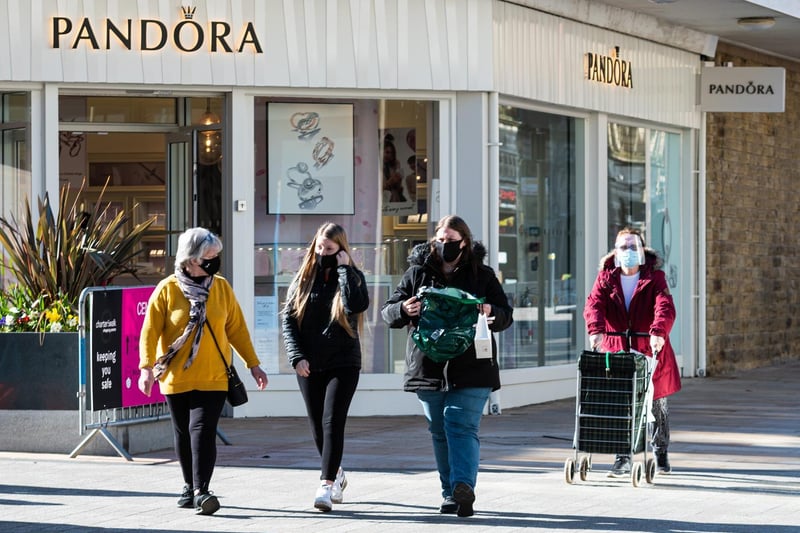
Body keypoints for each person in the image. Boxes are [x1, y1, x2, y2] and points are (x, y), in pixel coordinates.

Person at [381, 215, 513, 517]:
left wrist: (492, 311)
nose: (444, 246)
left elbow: (506, 315)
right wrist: (403, 308)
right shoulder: (417, 273)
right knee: (439, 430)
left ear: (464, 242)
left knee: (460, 425)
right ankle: (449, 492)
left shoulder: (482, 275)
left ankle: (463, 487)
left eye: (451, 241)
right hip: (428, 366)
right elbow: (388, 312)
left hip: (473, 366)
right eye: (439, 240)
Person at [138, 227, 268, 515]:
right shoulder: (167, 289)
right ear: (191, 258)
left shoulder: (221, 287)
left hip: (214, 375)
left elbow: (237, 329)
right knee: (183, 432)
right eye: (209, 256)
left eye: (216, 256)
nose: (214, 261)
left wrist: (253, 363)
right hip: (175, 375)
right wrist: (146, 368)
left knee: (202, 430)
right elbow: (149, 331)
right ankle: (189, 486)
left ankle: (202, 490)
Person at [282, 222, 370, 512]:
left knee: (333, 421)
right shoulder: (303, 279)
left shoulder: (353, 277)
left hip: (343, 362)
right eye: (319, 247)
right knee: (317, 424)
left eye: (329, 249)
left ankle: (326, 483)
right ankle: (338, 473)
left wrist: (344, 270)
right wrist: (296, 356)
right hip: (309, 362)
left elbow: (355, 306)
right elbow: (288, 321)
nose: (322, 253)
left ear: (341, 250)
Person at [583, 227, 681, 477]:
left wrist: (658, 331)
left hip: (649, 349)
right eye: (623, 247)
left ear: (642, 250)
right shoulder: (606, 277)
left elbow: (664, 306)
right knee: (622, 403)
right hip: (618, 349)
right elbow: (594, 304)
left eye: (633, 247)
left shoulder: (655, 277)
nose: (628, 251)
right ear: (615, 252)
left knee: (656, 404)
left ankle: (660, 450)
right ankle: (622, 457)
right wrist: (596, 329)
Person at [382, 135, 406, 203]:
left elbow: (398, 185)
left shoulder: (393, 166)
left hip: (395, 199)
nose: (388, 155)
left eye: (391, 153)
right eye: (387, 152)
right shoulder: (376, 168)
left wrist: (397, 167)